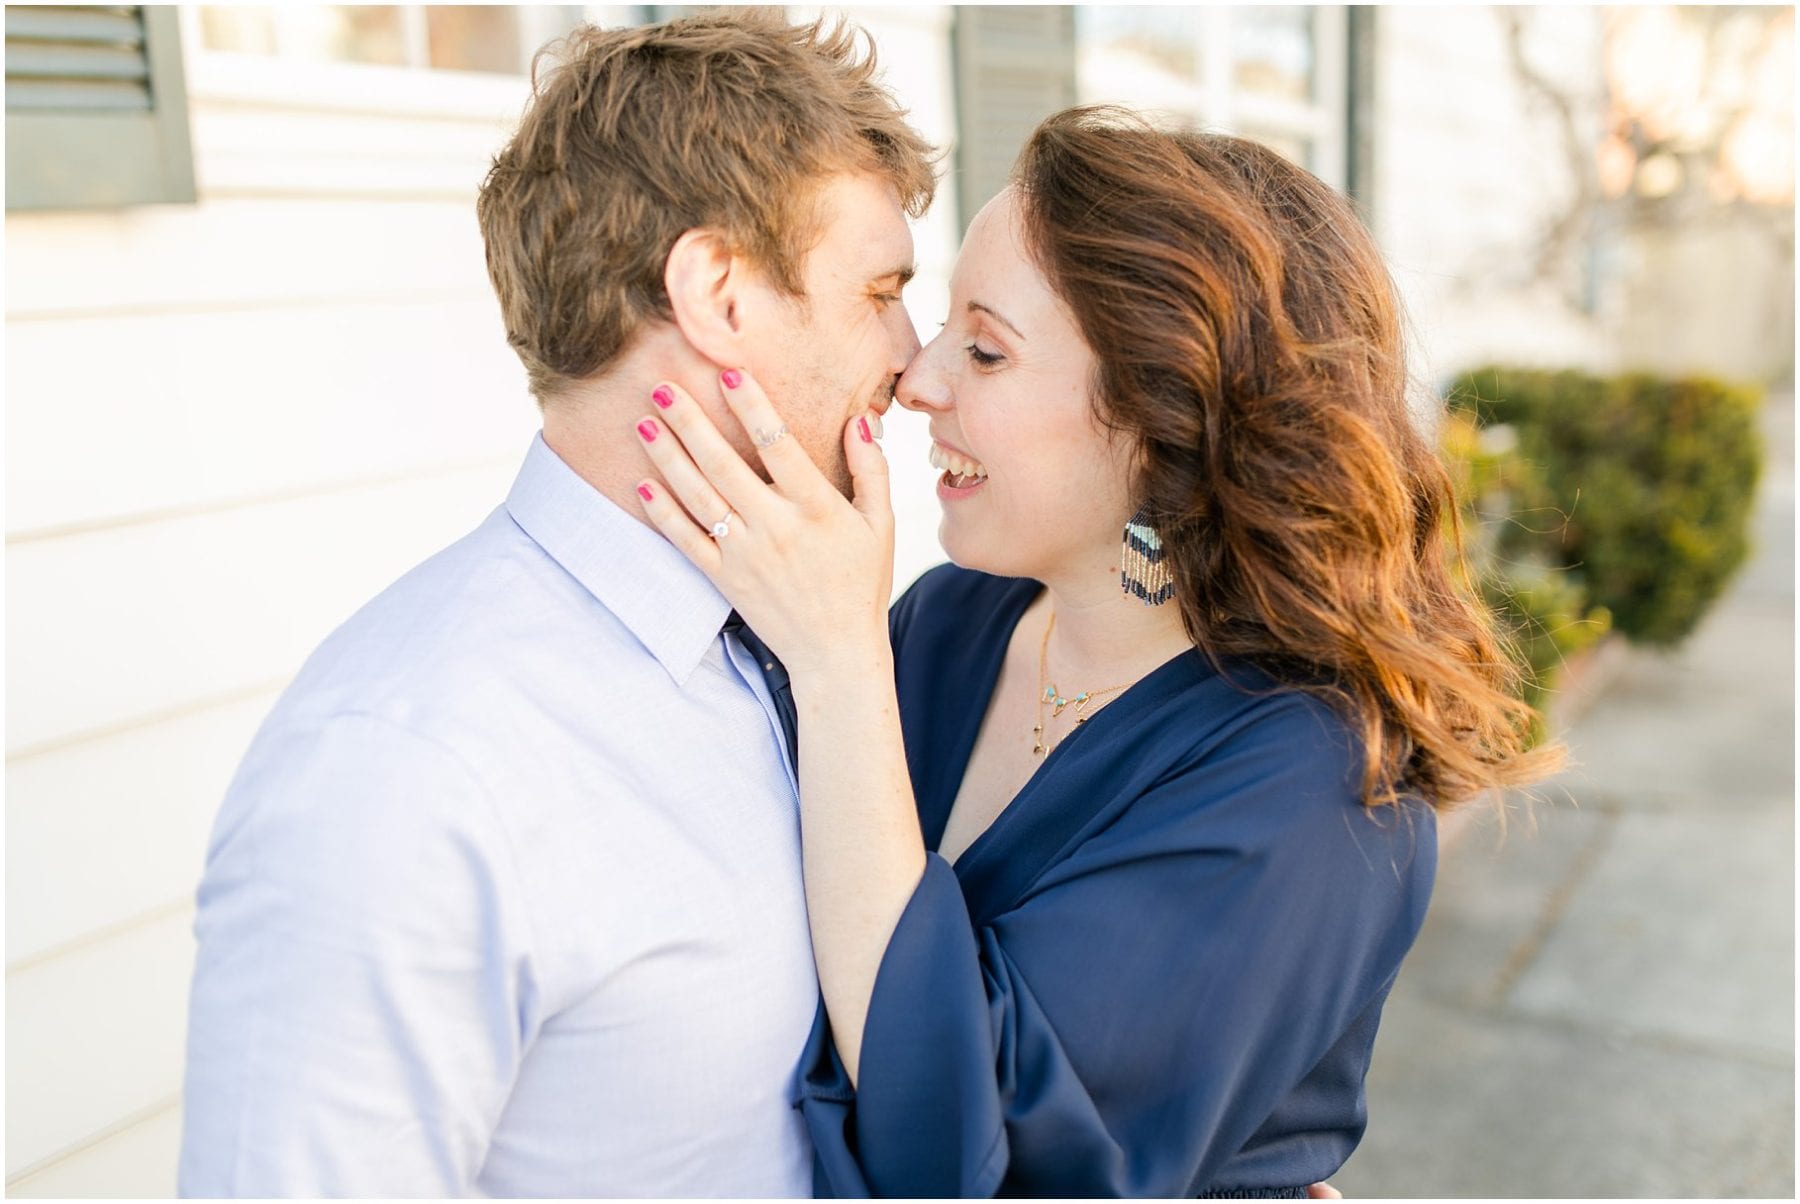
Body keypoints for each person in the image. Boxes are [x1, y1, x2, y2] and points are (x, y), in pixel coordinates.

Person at [632, 107, 1564, 1197]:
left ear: (1161, 412)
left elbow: (970, 1163)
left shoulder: (1314, 787)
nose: (916, 381)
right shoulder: (947, 625)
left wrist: (839, 666)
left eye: (984, 348)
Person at [176, 11, 935, 1196]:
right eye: (882, 291)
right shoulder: (403, 769)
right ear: (719, 293)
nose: (917, 356)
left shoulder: (805, 648)